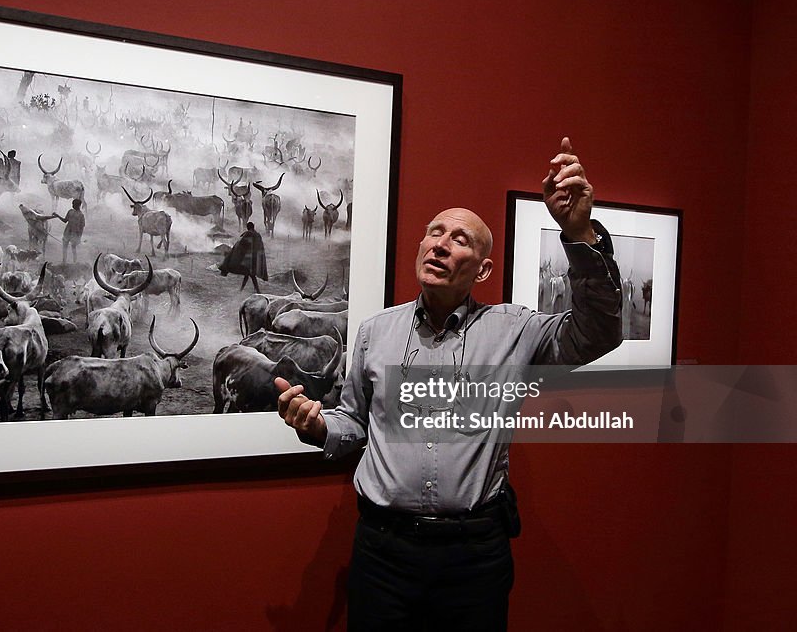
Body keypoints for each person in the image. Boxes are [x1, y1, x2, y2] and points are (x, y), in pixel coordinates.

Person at [276, 138, 623, 631]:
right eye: (433, 233)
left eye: (459, 238)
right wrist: (317, 427)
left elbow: (599, 333)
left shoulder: (515, 330)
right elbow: (352, 420)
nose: (439, 243)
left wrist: (579, 233)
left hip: (473, 557)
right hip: (384, 553)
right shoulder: (376, 331)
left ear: (482, 269)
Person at [219, 221, 268, 292]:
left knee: (250, 274)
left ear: (248, 227)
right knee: (248, 274)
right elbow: (260, 247)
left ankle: (256, 290)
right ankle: (244, 289)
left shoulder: (248, 234)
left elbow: (241, 244)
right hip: (256, 258)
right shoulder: (258, 235)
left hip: (249, 258)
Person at [52, 198, 86, 265]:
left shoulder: (81, 215)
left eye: (74, 204)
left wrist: (79, 237)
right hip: (67, 232)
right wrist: (57, 216)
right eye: (72, 204)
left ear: (78, 205)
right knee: (65, 248)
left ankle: (74, 262)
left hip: (75, 234)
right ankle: (64, 261)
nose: (72, 205)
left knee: (73, 248)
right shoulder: (70, 211)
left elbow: (82, 227)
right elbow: (65, 220)